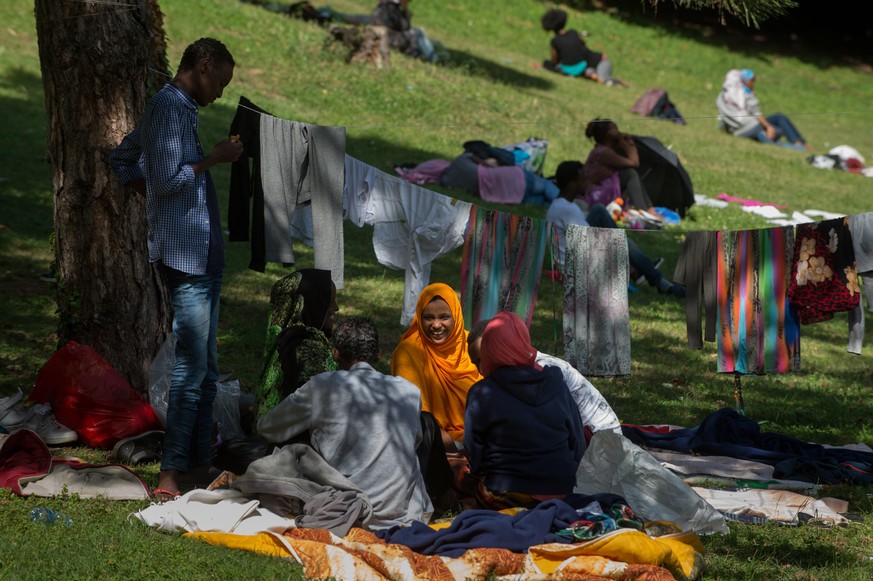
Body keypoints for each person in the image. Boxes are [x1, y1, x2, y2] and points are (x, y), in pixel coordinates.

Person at [109, 38, 244, 501]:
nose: (222, 93)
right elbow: (167, 180)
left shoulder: (179, 110)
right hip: (186, 258)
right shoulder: (168, 107)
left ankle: (200, 462)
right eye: (221, 81)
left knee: (206, 369)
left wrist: (150, 195)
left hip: (202, 252)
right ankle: (170, 474)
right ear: (203, 66)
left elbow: (125, 157)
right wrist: (214, 160)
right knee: (191, 369)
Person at [257, 316, 433, 529]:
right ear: (378, 354)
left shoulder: (322, 387)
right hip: (407, 516)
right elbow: (413, 444)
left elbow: (267, 428)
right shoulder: (408, 391)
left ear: (335, 354)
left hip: (348, 513)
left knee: (289, 446)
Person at [463, 312, 585, 509]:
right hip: (561, 491)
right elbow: (577, 443)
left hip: (504, 493)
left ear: (488, 350)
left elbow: (474, 453)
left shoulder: (482, 392)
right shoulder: (557, 384)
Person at [467, 318, 622, 441]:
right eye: (476, 363)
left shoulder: (542, 372)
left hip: (600, 441)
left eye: (484, 359)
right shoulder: (519, 371)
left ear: (502, 347)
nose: (481, 370)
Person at [549, 160, 685, 298]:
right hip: (575, 269)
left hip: (570, 258)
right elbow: (589, 243)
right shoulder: (569, 210)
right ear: (572, 184)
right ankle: (659, 281)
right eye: (582, 179)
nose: (587, 183)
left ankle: (639, 269)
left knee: (598, 211)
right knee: (624, 243)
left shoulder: (558, 205)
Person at [390, 282, 482, 449]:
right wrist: (457, 449)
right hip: (434, 445)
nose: (436, 325)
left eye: (444, 317)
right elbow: (416, 415)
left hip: (482, 440)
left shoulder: (471, 345)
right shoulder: (409, 351)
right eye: (428, 318)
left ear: (456, 315)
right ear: (419, 317)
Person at [253, 269, 339, 425]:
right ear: (314, 303)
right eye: (331, 300)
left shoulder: (282, 338)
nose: (337, 308)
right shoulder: (310, 348)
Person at [716, 69, 812, 151]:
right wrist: (769, 127)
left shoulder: (725, 94)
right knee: (777, 131)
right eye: (751, 81)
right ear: (744, 81)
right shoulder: (744, 94)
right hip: (749, 127)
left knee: (779, 120)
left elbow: (725, 116)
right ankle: (800, 147)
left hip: (740, 127)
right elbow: (757, 114)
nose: (753, 83)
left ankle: (799, 142)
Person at [582, 119, 660, 219]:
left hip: (604, 189)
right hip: (596, 195)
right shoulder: (603, 152)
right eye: (615, 129)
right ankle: (644, 212)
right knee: (630, 173)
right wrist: (628, 144)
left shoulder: (605, 149)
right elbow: (634, 163)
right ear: (608, 135)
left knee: (632, 174)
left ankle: (649, 209)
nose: (619, 131)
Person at [540, 8, 625, 87]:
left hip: (601, 62)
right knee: (591, 74)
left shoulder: (555, 41)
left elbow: (554, 60)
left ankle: (617, 82)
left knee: (603, 80)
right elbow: (583, 42)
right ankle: (596, 76)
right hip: (590, 65)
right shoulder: (573, 33)